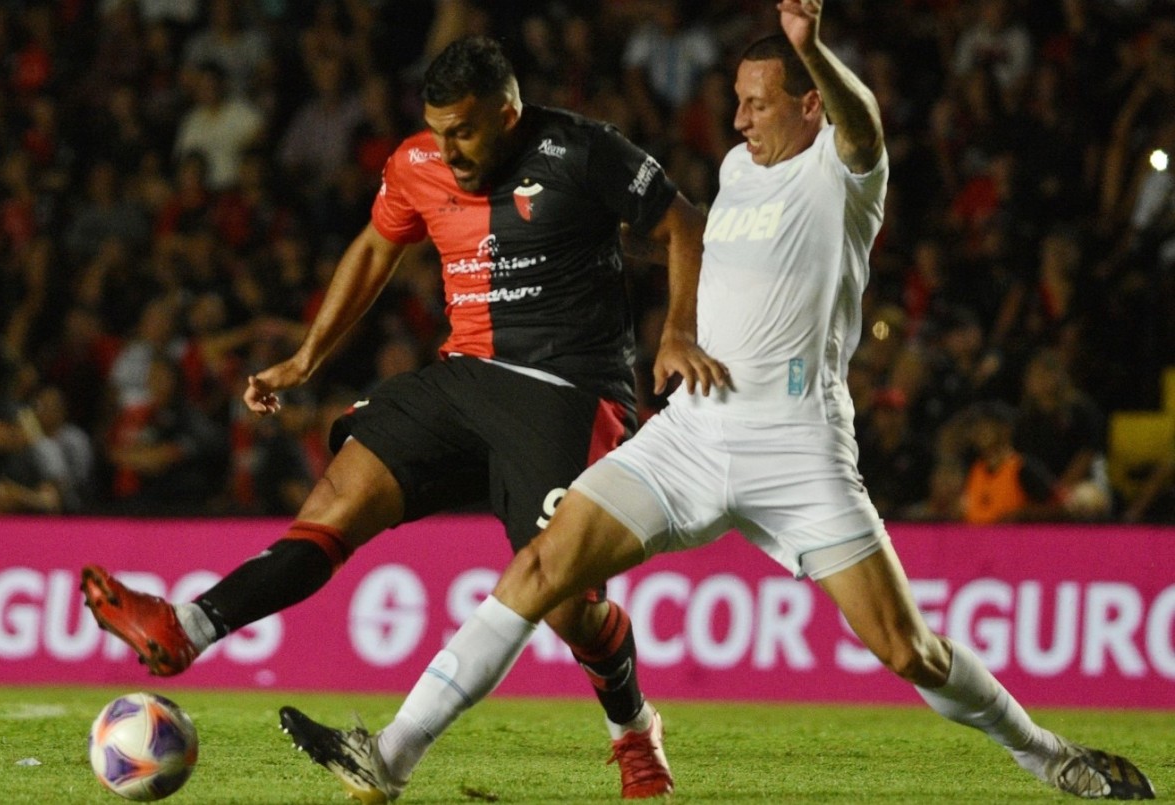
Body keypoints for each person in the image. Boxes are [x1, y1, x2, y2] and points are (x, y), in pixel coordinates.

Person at [277, 4, 1156, 802]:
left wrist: (817, 51)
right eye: (736, 100)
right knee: (542, 571)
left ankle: (1049, 755)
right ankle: (387, 758)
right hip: (693, 433)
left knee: (907, 648)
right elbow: (703, 252)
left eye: (760, 101)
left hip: (797, 448)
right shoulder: (738, 168)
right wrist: (678, 331)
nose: (738, 120)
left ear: (809, 104)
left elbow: (864, 126)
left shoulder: (844, 177)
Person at [80, 34, 715, 798]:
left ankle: (634, 728)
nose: (448, 149)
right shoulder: (416, 164)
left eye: (466, 131)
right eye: (438, 130)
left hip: (568, 389)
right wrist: (308, 358)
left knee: (571, 611)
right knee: (335, 502)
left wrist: (677, 330)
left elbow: (683, 223)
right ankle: (189, 625)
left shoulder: (580, 149)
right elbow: (376, 250)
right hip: (463, 377)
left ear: (508, 112)